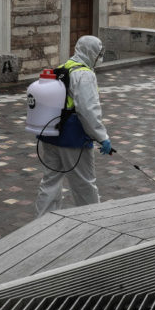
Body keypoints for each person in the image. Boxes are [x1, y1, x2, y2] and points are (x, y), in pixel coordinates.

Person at [33, 35, 111, 217]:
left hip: (51, 134)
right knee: (84, 183)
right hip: (72, 139)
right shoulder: (84, 74)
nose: (99, 58)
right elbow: (88, 110)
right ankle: (94, 220)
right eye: (99, 54)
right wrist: (102, 137)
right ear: (91, 52)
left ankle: (42, 223)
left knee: (50, 181)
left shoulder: (61, 68)